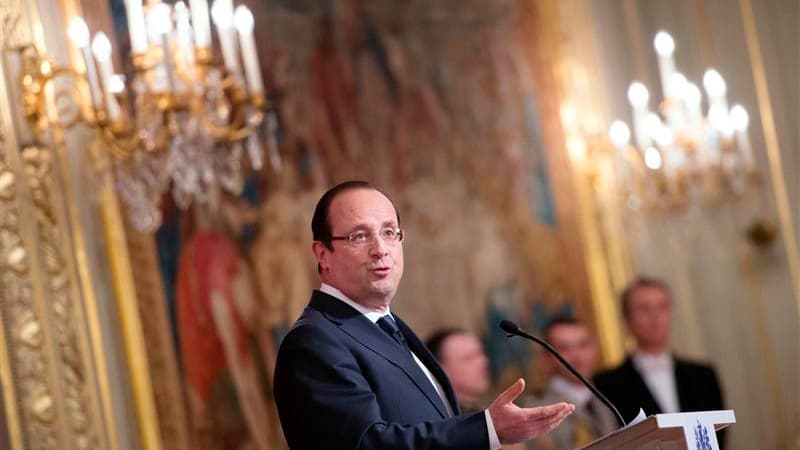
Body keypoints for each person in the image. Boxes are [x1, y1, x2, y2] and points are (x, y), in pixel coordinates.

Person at [273, 181, 575, 449]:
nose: (380, 249)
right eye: (359, 236)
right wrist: (486, 430)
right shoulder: (314, 342)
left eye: (389, 232)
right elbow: (365, 444)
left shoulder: (385, 325)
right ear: (323, 254)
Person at [593, 277, 725, 445]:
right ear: (626, 320)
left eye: (662, 307)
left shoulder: (703, 375)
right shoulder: (606, 383)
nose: (655, 316)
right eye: (644, 309)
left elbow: (718, 433)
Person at [524, 317, 618, 450]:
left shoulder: (604, 400)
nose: (577, 355)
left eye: (583, 345)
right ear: (547, 358)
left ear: (595, 349)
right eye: (564, 348)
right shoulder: (539, 411)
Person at [426, 329, 491, 413]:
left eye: (480, 354)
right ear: (441, 370)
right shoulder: (448, 421)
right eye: (469, 358)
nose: (484, 362)